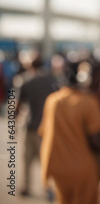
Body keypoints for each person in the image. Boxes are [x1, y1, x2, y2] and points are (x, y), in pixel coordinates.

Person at [38, 61, 100, 204]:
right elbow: (97, 141)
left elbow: (44, 132)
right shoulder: (87, 102)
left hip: (57, 167)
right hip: (83, 168)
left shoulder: (53, 100)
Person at [15, 55, 58, 196]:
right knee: (46, 159)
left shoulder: (25, 80)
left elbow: (17, 105)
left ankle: (26, 187)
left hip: (29, 125)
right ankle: (48, 188)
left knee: (27, 159)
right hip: (47, 127)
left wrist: (13, 124)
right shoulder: (51, 80)